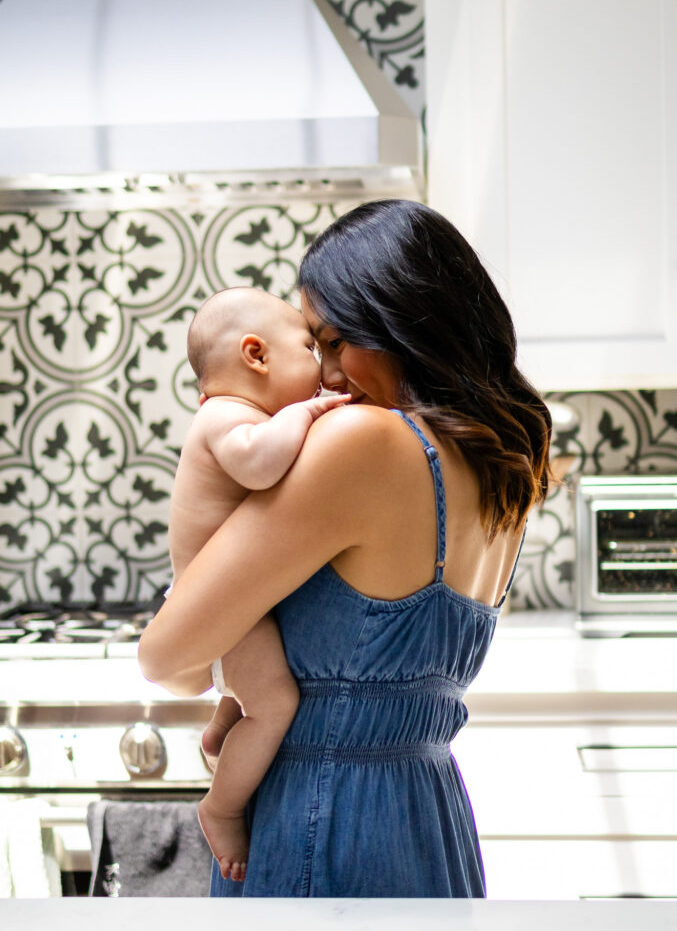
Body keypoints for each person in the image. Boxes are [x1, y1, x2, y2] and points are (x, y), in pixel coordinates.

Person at [140, 200, 552, 898]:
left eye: (333, 342)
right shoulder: (502, 464)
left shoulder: (360, 444)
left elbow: (167, 658)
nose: (326, 374)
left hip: (321, 822)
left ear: (397, 323)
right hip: (428, 818)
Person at [167, 287, 350, 881]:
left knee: (251, 691)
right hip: (219, 607)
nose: (322, 369)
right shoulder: (227, 417)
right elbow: (260, 464)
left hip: (233, 602)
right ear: (257, 355)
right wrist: (307, 414)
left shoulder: (241, 414)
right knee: (275, 704)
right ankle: (220, 808)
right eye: (308, 347)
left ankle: (224, 725)